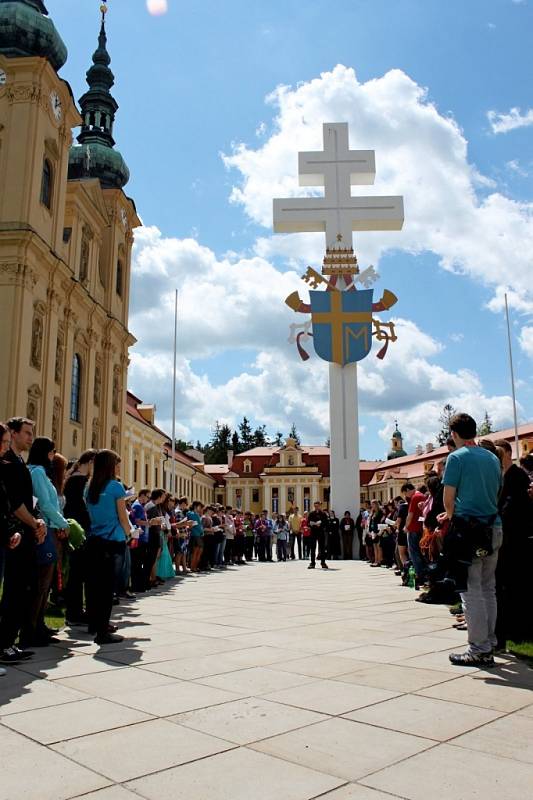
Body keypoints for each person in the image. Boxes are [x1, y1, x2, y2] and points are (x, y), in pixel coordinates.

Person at [440, 413, 502, 667]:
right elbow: (498, 490)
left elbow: (448, 497)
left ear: (454, 434)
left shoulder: (456, 458)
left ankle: (478, 648)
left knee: (471, 590)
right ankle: (490, 640)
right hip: (493, 526)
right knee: (489, 588)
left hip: (468, 530)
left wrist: (450, 514)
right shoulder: (492, 457)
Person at [0, 417, 46, 664]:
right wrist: (34, 523)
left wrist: (39, 520)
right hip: (16, 533)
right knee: (15, 590)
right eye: (27, 433)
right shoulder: (7, 464)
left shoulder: (20, 462)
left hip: (27, 530)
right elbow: (14, 503)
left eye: (32, 433)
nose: (30, 437)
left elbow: (29, 501)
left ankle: (10, 640)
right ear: (13, 433)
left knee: (25, 588)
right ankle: (4, 643)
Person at [24, 437, 70, 646]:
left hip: (46, 526)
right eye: (52, 452)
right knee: (42, 582)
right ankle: (32, 628)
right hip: (47, 528)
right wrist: (63, 523)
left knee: (43, 582)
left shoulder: (34, 470)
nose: (53, 457)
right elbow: (46, 504)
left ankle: (38, 625)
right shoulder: (39, 472)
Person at [85, 449, 129, 645]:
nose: (119, 467)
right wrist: (129, 532)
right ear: (110, 466)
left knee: (95, 587)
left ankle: (95, 625)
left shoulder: (89, 487)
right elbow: (122, 516)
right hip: (113, 541)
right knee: (107, 588)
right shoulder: (116, 487)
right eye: (117, 463)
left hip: (94, 540)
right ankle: (103, 632)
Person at [494, 438, 533, 648]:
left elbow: (515, 506)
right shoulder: (503, 476)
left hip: (515, 537)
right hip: (508, 537)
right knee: (506, 586)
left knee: (513, 585)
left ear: (508, 454)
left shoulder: (517, 476)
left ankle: (516, 629)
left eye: (499, 455)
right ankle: (509, 627)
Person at [63, 449, 96, 623]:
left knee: (78, 573)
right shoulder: (79, 480)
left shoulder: (75, 478)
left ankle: (75, 611)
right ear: (90, 462)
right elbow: (79, 507)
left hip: (78, 527)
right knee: (77, 574)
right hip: (79, 530)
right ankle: (74, 613)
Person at [402, 483, 427, 587]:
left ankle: (419, 575)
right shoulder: (423, 496)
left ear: (408, 489)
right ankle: (425, 574)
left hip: (413, 529)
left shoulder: (415, 497)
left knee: (414, 553)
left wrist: (406, 526)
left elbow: (410, 514)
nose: (406, 496)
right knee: (422, 553)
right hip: (422, 528)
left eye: (405, 493)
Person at [307, 500, 329, 569]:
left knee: (322, 548)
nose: (316, 507)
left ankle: (323, 562)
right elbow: (308, 523)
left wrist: (321, 524)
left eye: (318, 506)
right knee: (312, 548)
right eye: (315, 506)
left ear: (320, 506)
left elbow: (326, 523)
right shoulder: (311, 514)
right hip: (313, 533)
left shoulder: (323, 514)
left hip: (321, 532)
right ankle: (312, 563)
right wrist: (312, 524)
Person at [187, 501, 204, 572]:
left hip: (199, 535)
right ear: (195, 506)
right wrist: (201, 531)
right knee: (195, 552)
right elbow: (195, 525)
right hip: (195, 535)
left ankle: (195, 567)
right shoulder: (190, 513)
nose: (200, 508)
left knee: (199, 552)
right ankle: (192, 567)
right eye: (199, 507)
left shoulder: (197, 514)